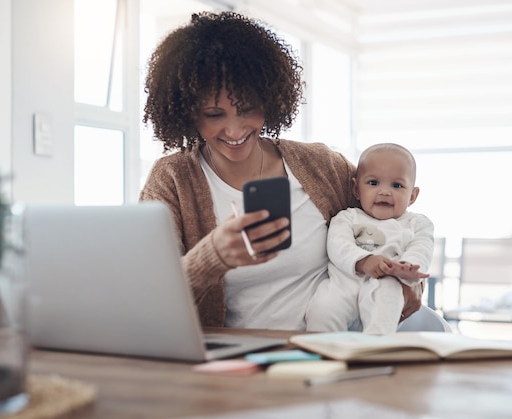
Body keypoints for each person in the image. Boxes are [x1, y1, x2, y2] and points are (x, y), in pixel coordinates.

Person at [138, 11, 423, 330]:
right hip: (238, 360)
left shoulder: (321, 165)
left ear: (271, 99)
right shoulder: (172, 179)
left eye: (247, 109)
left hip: (335, 349)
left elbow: (393, 223)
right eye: (214, 114)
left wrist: (406, 283)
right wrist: (212, 256)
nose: (234, 130)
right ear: (187, 112)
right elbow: (145, 300)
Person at [306, 143, 434, 335]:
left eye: (397, 185)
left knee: (388, 298)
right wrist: (364, 261)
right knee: (323, 308)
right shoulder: (347, 217)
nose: (384, 192)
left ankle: (376, 344)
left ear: (413, 196)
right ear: (356, 189)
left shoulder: (418, 223)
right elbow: (338, 245)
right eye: (373, 183)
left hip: (387, 280)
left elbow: (422, 248)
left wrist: (408, 267)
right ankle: (322, 350)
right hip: (344, 284)